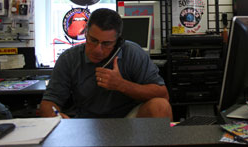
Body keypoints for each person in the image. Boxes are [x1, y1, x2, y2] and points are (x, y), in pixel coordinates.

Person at [39, 8, 172, 120]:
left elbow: (163, 95)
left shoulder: (133, 53)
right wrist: (56, 118)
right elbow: (48, 103)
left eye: (106, 44)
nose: (98, 49)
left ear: (118, 41)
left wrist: (122, 85)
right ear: (85, 33)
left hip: (128, 121)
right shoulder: (69, 59)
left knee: (160, 106)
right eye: (93, 40)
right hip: (86, 123)